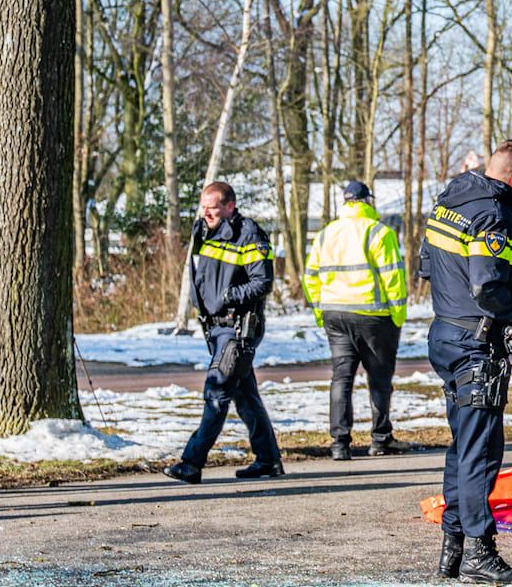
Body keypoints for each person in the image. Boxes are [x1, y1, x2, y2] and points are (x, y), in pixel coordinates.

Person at [424, 140, 512, 584]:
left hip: (445, 334)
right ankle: (478, 549)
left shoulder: (447, 203)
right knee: (481, 452)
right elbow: (487, 286)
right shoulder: (494, 215)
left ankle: (453, 549)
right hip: (476, 341)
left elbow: (425, 267)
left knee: (462, 447)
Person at [165, 182, 284, 484]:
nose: (206, 211)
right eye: (204, 205)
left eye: (213, 206)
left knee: (216, 393)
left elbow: (263, 282)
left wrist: (227, 297)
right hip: (215, 327)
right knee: (245, 397)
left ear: (230, 206)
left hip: (237, 329)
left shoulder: (249, 234)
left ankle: (191, 463)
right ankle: (268, 460)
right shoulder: (203, 231)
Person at [305, 179, 407, 461]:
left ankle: (339, 443)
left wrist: (319, 310)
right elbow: (393, 277)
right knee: (380, 379)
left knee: (341, 378)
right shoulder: (379, 232)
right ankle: (380, 438)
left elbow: (310, 276)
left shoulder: (326, 233)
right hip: (374, 315)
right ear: (368, 201)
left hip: (335, 314)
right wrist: (398, 315)